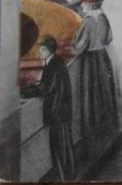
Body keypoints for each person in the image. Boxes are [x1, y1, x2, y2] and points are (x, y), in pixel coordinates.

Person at [72, 0, 119, 155]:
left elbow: (78, 48)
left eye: (83, 3)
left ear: (89, 4)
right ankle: (107, 124)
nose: (82, 7)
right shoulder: (103, 18)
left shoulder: (87, 22)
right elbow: (108, 39)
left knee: (90, 96)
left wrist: (71, 45)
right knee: (104, 91)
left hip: (90, 62)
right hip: (103, 58)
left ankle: (92, 129)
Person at [22, 37, 76, 181]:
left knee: (57, 149)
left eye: (41, 49)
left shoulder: (52, 66)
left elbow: (46, 88)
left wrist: (26, 90)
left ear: (47, 50)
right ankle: (68, 177)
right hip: (63, 112)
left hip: (56, 113)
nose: (39, 52)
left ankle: (62, 178)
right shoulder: (57, 62)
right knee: (66, 147)